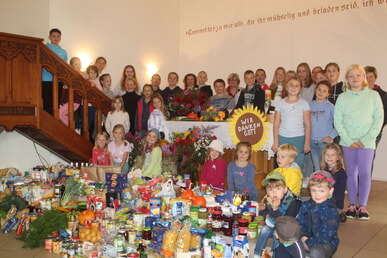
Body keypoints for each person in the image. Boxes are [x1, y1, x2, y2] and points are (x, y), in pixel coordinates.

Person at [334, 64, 383, 220]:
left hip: (367, 142)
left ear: (364, 78)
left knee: (364, 173)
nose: (355, 78)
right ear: (347, 79)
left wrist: (367, 139)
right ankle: (352, 205)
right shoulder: (342, 98)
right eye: (351, 76)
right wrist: (348, 140)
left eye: (358, 75)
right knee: (351, 173)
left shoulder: (373, 96)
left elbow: (378, 119)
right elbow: (338, 120)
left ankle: (362, 205)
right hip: (348, 142)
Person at [253, 172, 301, 257]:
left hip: (287, 230)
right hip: (274, 224)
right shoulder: (269, 200)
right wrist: (264, 213)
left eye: (278, 189)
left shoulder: (292, 202)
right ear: (267, 191)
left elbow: (286, 224)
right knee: (264, 229)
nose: (274, 193)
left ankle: (275, 254)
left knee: (277, 233)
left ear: (285, 189)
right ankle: (257, 254)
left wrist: (275, 209)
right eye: (270, 190)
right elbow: (265, 214)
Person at [271, 78, 311, 175]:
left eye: (296, 85)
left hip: (298, 138)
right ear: (286, 87)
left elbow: (307, 124)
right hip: (283, 137)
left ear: (300, 89)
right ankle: (282, 188)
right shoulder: (280, 103)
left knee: (297, 165)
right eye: (291, 85)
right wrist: (276, 142)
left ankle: (296, 188)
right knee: (283, 164)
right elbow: (276, 123)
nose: (293, 87)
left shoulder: (304, 104)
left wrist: (307, 143)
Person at [297, 171, 340, 258]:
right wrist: (303, 237)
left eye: (321, 191)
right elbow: (299, 223)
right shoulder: (306, 205)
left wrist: (309, 243)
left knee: (316, 252)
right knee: (288, 243)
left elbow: (326, 235)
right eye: (314, 190)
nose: (317, 194)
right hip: (306, 238)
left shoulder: (331, 211)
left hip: (326, 243)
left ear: (330, 191)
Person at [310, 80, 337, 171]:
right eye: (319, 89)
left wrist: (331, 136)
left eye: (324, 91)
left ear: (328, 94)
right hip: (312, 142)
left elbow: (338, 124)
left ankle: (327, 184)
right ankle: (319, 185)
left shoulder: (330, 107)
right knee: (317, 167)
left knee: (326, 167)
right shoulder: (309, 105)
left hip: (325, 143)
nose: (321, 92)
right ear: (315, 90)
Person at [42, 28, 68, 114]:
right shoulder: (44, 48)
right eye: (54, 36)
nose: (56, 38)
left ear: (60, 38)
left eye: (58, 36)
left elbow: (64, 67)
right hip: (46, 80)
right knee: (46, 102)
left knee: (56, 103)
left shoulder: (63, 52)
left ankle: (54, 121)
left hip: (59, 80)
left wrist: (64, 81)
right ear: (49, 37)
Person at [320, 143, 347, 222]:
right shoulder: (323, 171)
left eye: (333, 155)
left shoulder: (341, 174)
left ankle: (338, 214)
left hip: (334, 204)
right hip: (322, 200)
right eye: (327, 154)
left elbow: (339, 194)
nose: (329, 157)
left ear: (339, 157)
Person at [59, 57, 84, 126]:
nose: (78, 66)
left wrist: (78, 71)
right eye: (76, 64)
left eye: (79, 64)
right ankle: (69, 129)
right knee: (65, 116)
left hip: (74, 100)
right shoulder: (69, 75)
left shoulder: (81, 74)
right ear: (71, 66)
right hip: (67, 99)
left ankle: (71, 128)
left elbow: (87, 76)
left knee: (59, 113)